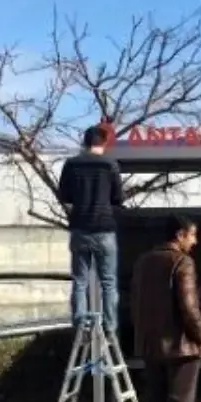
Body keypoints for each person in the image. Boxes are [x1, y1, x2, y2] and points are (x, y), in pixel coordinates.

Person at [131, 215, 201, 402]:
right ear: (179, 235)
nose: (195, 241)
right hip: (181, 347)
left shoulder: (143, 262)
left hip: (151, 345)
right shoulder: (182, 262)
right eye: (192, 235)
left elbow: (136, 303)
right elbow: (189, 307)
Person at [58, 121, 124, 333]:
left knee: (80, 281)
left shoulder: (71, 164)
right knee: (109, 282)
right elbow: (118, 198)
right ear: (104, 143)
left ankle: (80, 324)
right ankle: (110, 325)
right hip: (105, 228)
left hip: (79, 227)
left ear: (84, 143)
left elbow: (64, 196)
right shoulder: (110, 164)